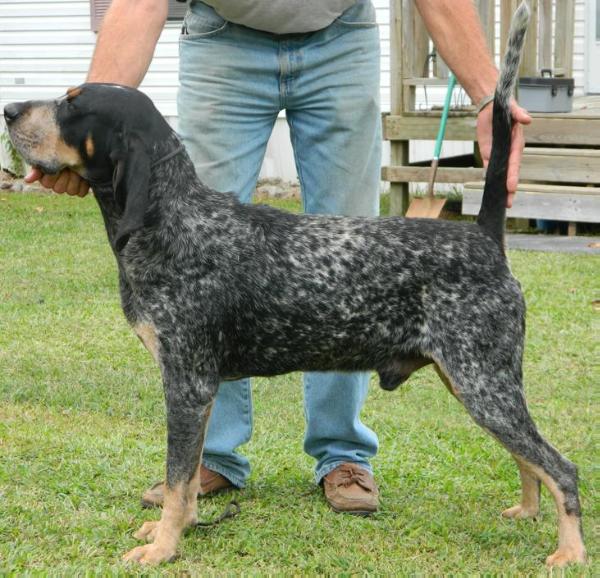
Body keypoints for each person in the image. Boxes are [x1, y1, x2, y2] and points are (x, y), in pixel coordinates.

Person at [26, 0, 531, 514]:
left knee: (355, 261)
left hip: (341, 36)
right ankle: (211, 459)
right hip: (223, 40)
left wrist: (486, 92)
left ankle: (343, 454)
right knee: (194, 248)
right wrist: (78, 129)